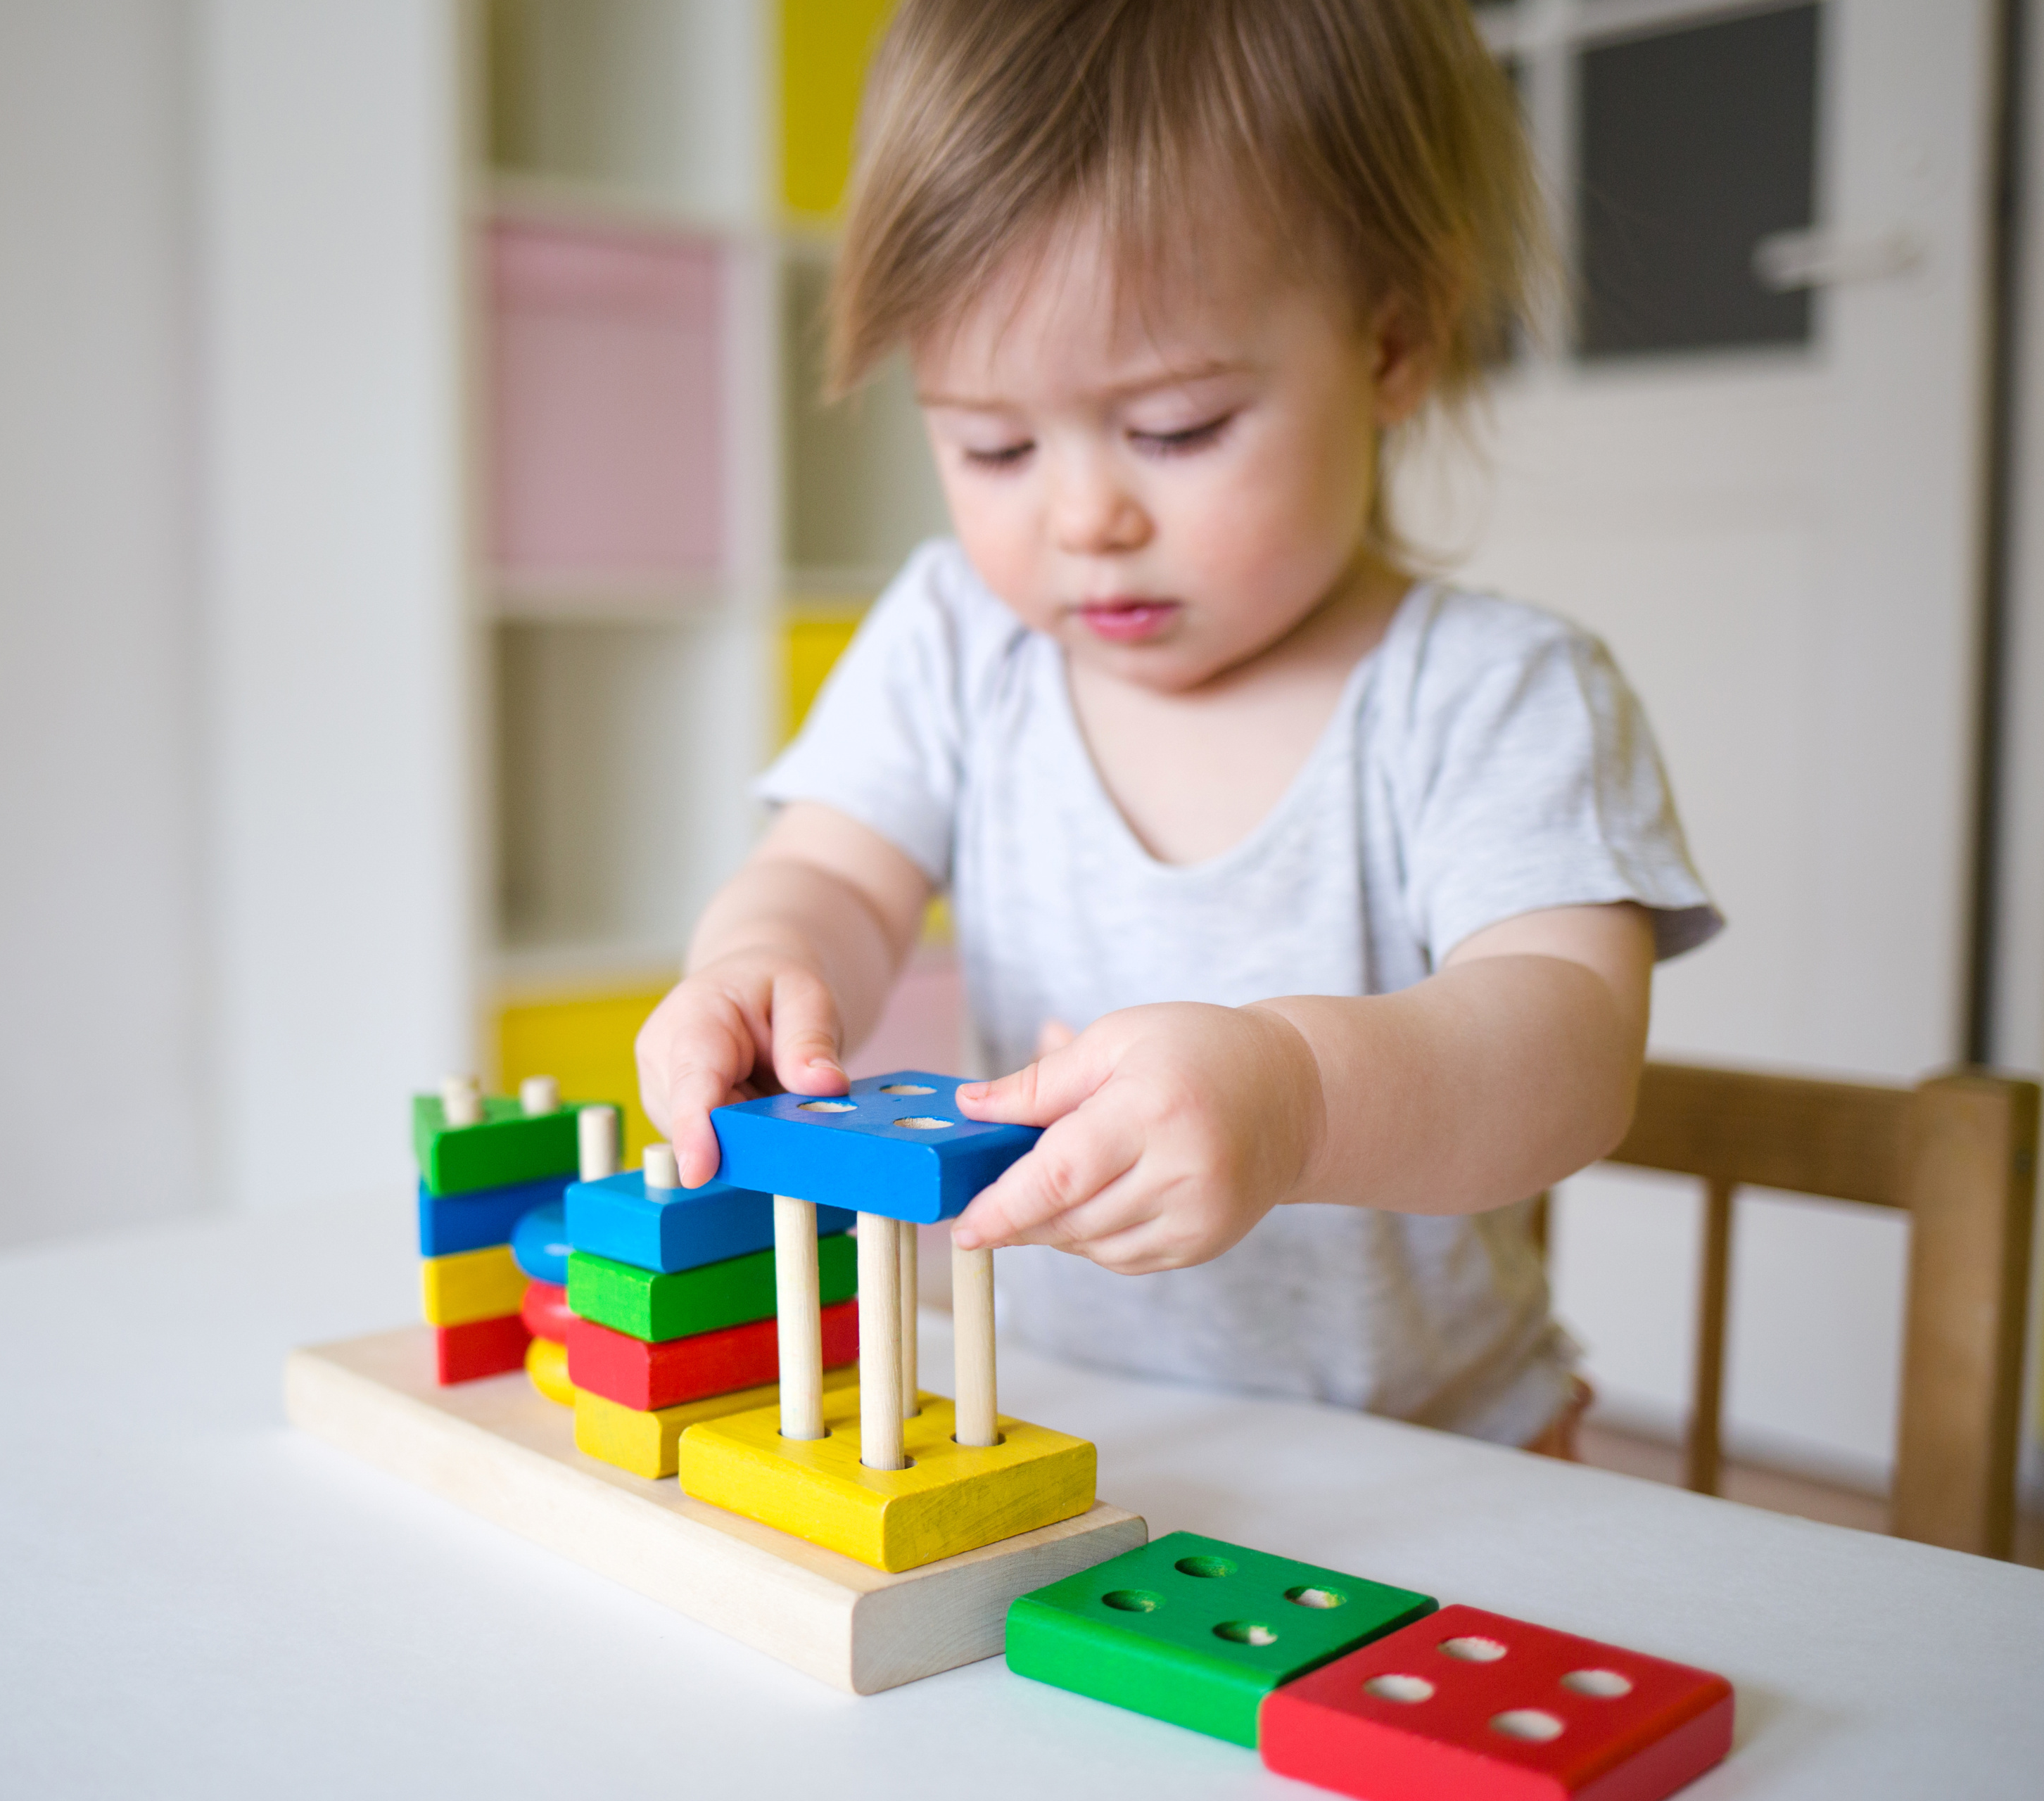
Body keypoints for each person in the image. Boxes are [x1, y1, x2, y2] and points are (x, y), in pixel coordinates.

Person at [635, 0, 1720, 1450]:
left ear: (1394, 341)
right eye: (994, 445)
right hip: (1058, 1429)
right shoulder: (961, 640)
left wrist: (1296, 1099)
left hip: (1433, 1456)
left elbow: (1568, 1056)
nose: (1087, 516)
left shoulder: (1493, 696)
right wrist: (753, 964)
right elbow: (828, 874)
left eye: (1178, 427)